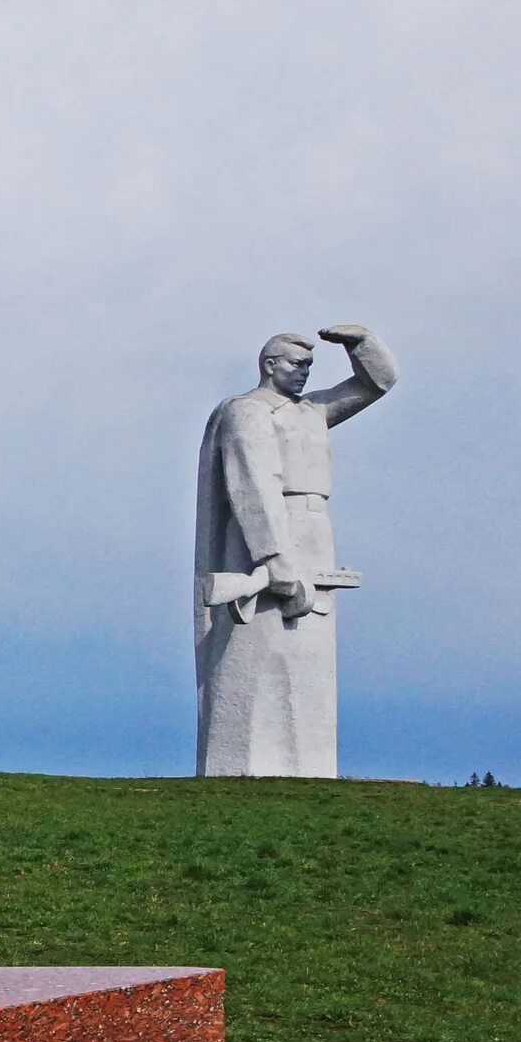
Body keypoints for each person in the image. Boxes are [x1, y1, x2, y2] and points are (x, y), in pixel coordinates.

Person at [194, 325, 397, 777]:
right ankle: (244, 765)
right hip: (265, 533)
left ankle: (309, 766)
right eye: (296, 364)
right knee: (258, 648)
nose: (305, 373)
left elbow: (376, 383)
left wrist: (360, 344)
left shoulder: (312, 412)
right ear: (270, 365)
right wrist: (271, 554)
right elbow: (252, 482)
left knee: (310, 654)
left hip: (314, 527)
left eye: (310, 366)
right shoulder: (247, 412)